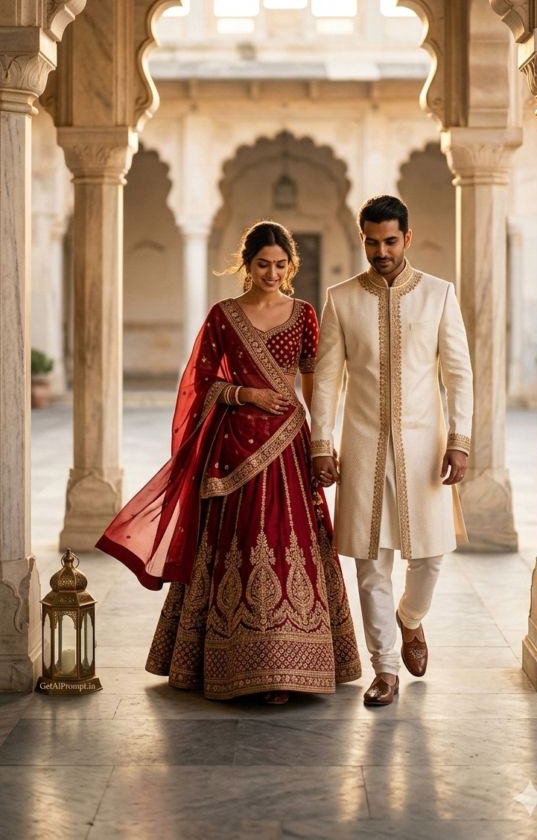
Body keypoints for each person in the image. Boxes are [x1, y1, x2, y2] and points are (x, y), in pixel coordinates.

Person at [96, 220, 361, 703]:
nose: (272, 273)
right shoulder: (224, 315)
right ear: (247, 264)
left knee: (290, 541)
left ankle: (291, 666)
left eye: (281, 265)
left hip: (288, 445)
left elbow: (313, 383)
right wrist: (245, 394)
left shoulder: (303, 314)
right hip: (235, 446)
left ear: (291, 265)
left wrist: (320, 441)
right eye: (263, 264)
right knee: (237, 543)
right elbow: (200, 382)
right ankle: (235, 660)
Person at [311, 195, 473, 707]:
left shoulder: (438, 294)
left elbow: (459, 375)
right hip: (362, 446)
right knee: (369, 560)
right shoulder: (341, 298)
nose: (381, 251)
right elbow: (327, 380)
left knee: (430, 555)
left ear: (407, 237)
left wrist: (460, 440)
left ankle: (411, 619)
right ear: (361, 238)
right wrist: (322, 443)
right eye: (372, 241)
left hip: (424, 447)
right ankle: (384, 670)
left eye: (390, 241)